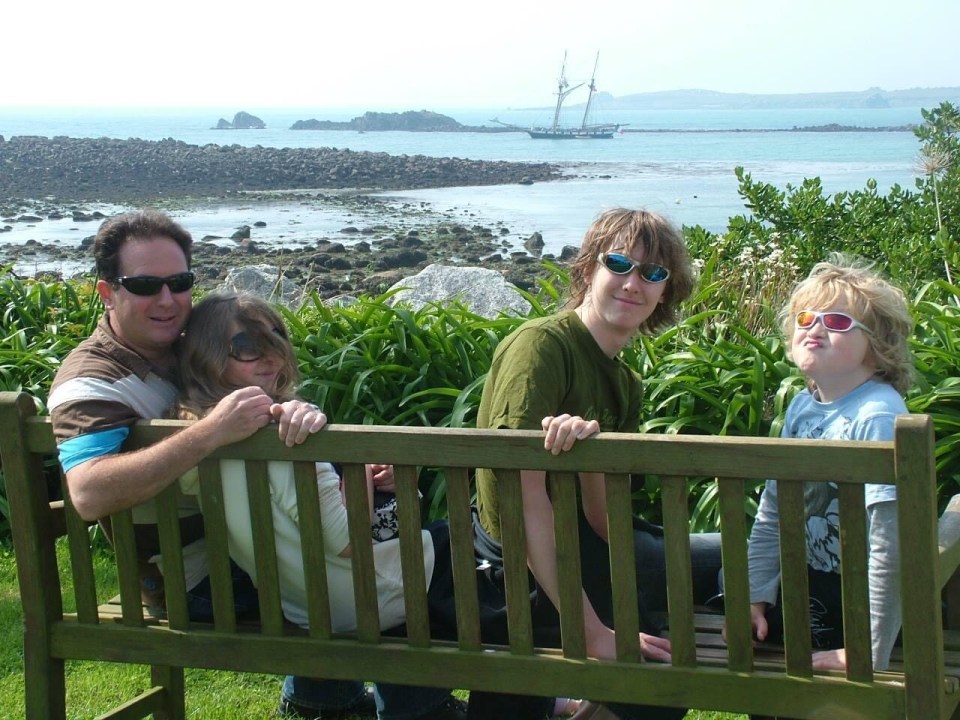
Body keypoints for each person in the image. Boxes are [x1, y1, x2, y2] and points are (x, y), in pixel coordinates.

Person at [44, 209, 369, 720]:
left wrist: (290, 411)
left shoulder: (186, 350)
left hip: (243, 551)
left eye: (180, 282)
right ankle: (355, 706)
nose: (168, 299)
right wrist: (211, 432)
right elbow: (88, 493)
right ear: (108, 293)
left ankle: (331, 703)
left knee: (360, 558)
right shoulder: (91, 383)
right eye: (147, 285)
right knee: (378, 579)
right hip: (199, 583)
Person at [174, 292, 478, 720]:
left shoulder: (190, 441)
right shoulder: (290, 439)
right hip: (361, 598)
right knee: (476, 544)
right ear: (206, 356)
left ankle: (319, 701)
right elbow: (349, 541)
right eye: (246, 347)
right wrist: (352, 467)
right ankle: (441, 706)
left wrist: (361, 480)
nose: (270, 357)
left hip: (301, 601)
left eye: (276, 339)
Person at [471, 208, 721, 720]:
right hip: (514, 562)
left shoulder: (624, 382)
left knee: (723, 565)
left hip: (583, 545)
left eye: (653, 274)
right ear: (589, 269)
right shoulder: (542, 347)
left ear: (664, 293)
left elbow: (605, 521)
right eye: (620, 264)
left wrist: (591, 459)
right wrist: (591, 632)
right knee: (659, 674)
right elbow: (521, 502)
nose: (634, 283)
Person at [734, 255, 912, 677]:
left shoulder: (877, 415)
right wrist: (754, 598)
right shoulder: (801, 408)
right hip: (811, 595)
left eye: (837, 322)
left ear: (878, 344)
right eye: (806, 317)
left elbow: (889, 543)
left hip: (863, 609)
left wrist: (867, 649)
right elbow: (773, 513)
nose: (814, 326)